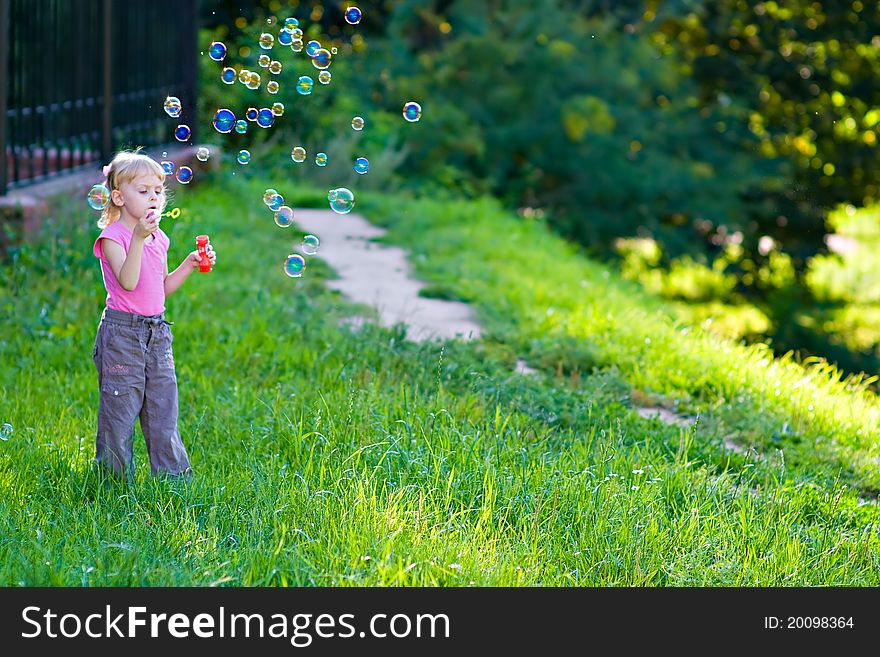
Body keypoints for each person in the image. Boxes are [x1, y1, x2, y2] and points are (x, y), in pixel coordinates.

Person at [91, 149, 216, 480]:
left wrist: (188, 264)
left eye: (158, 191)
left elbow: (161, 289)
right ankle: (113, 482)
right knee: (120, 410)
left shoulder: (159, 237)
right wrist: (137, 239)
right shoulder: (112, 239)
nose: (154, 197)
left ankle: (173, 479)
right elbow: (129, 282)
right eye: (143, 191)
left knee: (164, 407)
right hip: (122, 336)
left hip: (157, 332)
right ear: (118, 197)